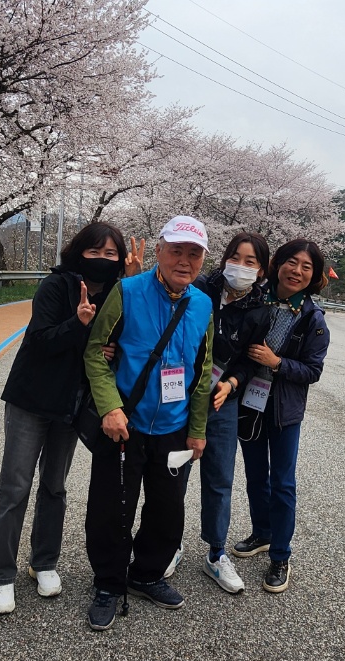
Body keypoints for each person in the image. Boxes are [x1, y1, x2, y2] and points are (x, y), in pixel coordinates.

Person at [0, 222, 144, 614]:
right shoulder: (56, 286)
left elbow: (125, 344)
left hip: (70, 406)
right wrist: (80, 325)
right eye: (95, 251)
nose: (102, 259)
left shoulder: (120, 293)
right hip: (32, 399)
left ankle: (44, 562)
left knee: (54, 486)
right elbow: (41, 340)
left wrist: (131, 283)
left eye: (111, 253)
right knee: (15, 486)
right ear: (78, 252)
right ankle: (1, 574)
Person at [82, 215, 215, 630]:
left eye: (194, 254)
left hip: (174, 427)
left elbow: (202, 370)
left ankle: (146, 574)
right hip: (125, 422)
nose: (184, 261)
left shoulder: (203, 304)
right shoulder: (127, 291)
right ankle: (108, 583)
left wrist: (198, 430)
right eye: (176, 250)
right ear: (158, 251)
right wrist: (109, 407)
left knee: (167, 510)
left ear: (203, 260)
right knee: (112, 507)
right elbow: (96, 352)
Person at [230, 238, 331, 594]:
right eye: (292, 262)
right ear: (278, 264)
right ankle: (262, 532)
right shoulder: (254, 297)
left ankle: (280, 554)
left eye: (307, 267)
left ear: (314, 275)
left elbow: (313, 370)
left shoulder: (312, 319)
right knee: (256, 475)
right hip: (250, 402)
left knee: (283, 482)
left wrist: (277, 363)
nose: (297, 271)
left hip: (284, 409)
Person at [178, 231, 272, 594]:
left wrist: (231, 384)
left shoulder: (261, 310)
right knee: (175, 473)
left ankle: (216, 553)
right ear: (224, 259)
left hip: (223, 401)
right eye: (236, 257)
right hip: (182, 397)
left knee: (219, 479)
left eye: (251, 262)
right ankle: (169, 542)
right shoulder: (199, 288)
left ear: (261, 270)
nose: (241, 266)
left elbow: (250, 361)